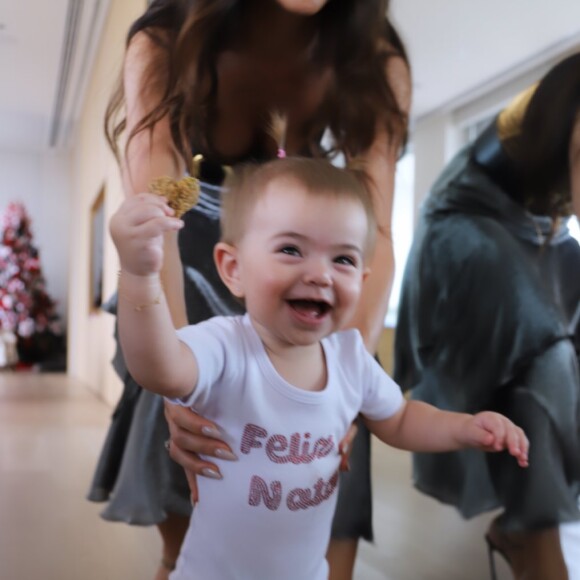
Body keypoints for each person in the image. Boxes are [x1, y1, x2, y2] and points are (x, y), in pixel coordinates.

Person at [87, 1, 412, 578]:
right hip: (181, 272)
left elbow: (376, 230)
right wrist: (181, 386)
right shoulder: (165, 43)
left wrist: (343, 382)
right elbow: (156, 210)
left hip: (306, 272)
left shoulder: (374, 59)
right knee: (192, 532)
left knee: (325, 536)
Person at [112, 156, 529, 579]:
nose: (320, 274)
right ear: (234, 269)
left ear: (362, 281)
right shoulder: (225, 345)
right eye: (291, 250)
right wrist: (140, 276)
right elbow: (159, 369)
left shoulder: (351, 359)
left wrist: (465, 427)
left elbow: (400, 419)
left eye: (343, 260)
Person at [394, 52, 580, 580]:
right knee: (544, 344)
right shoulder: (562, 108)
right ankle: (536, 532)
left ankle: (531, 521)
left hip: (540, 224)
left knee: (565, 337)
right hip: (469, 219)